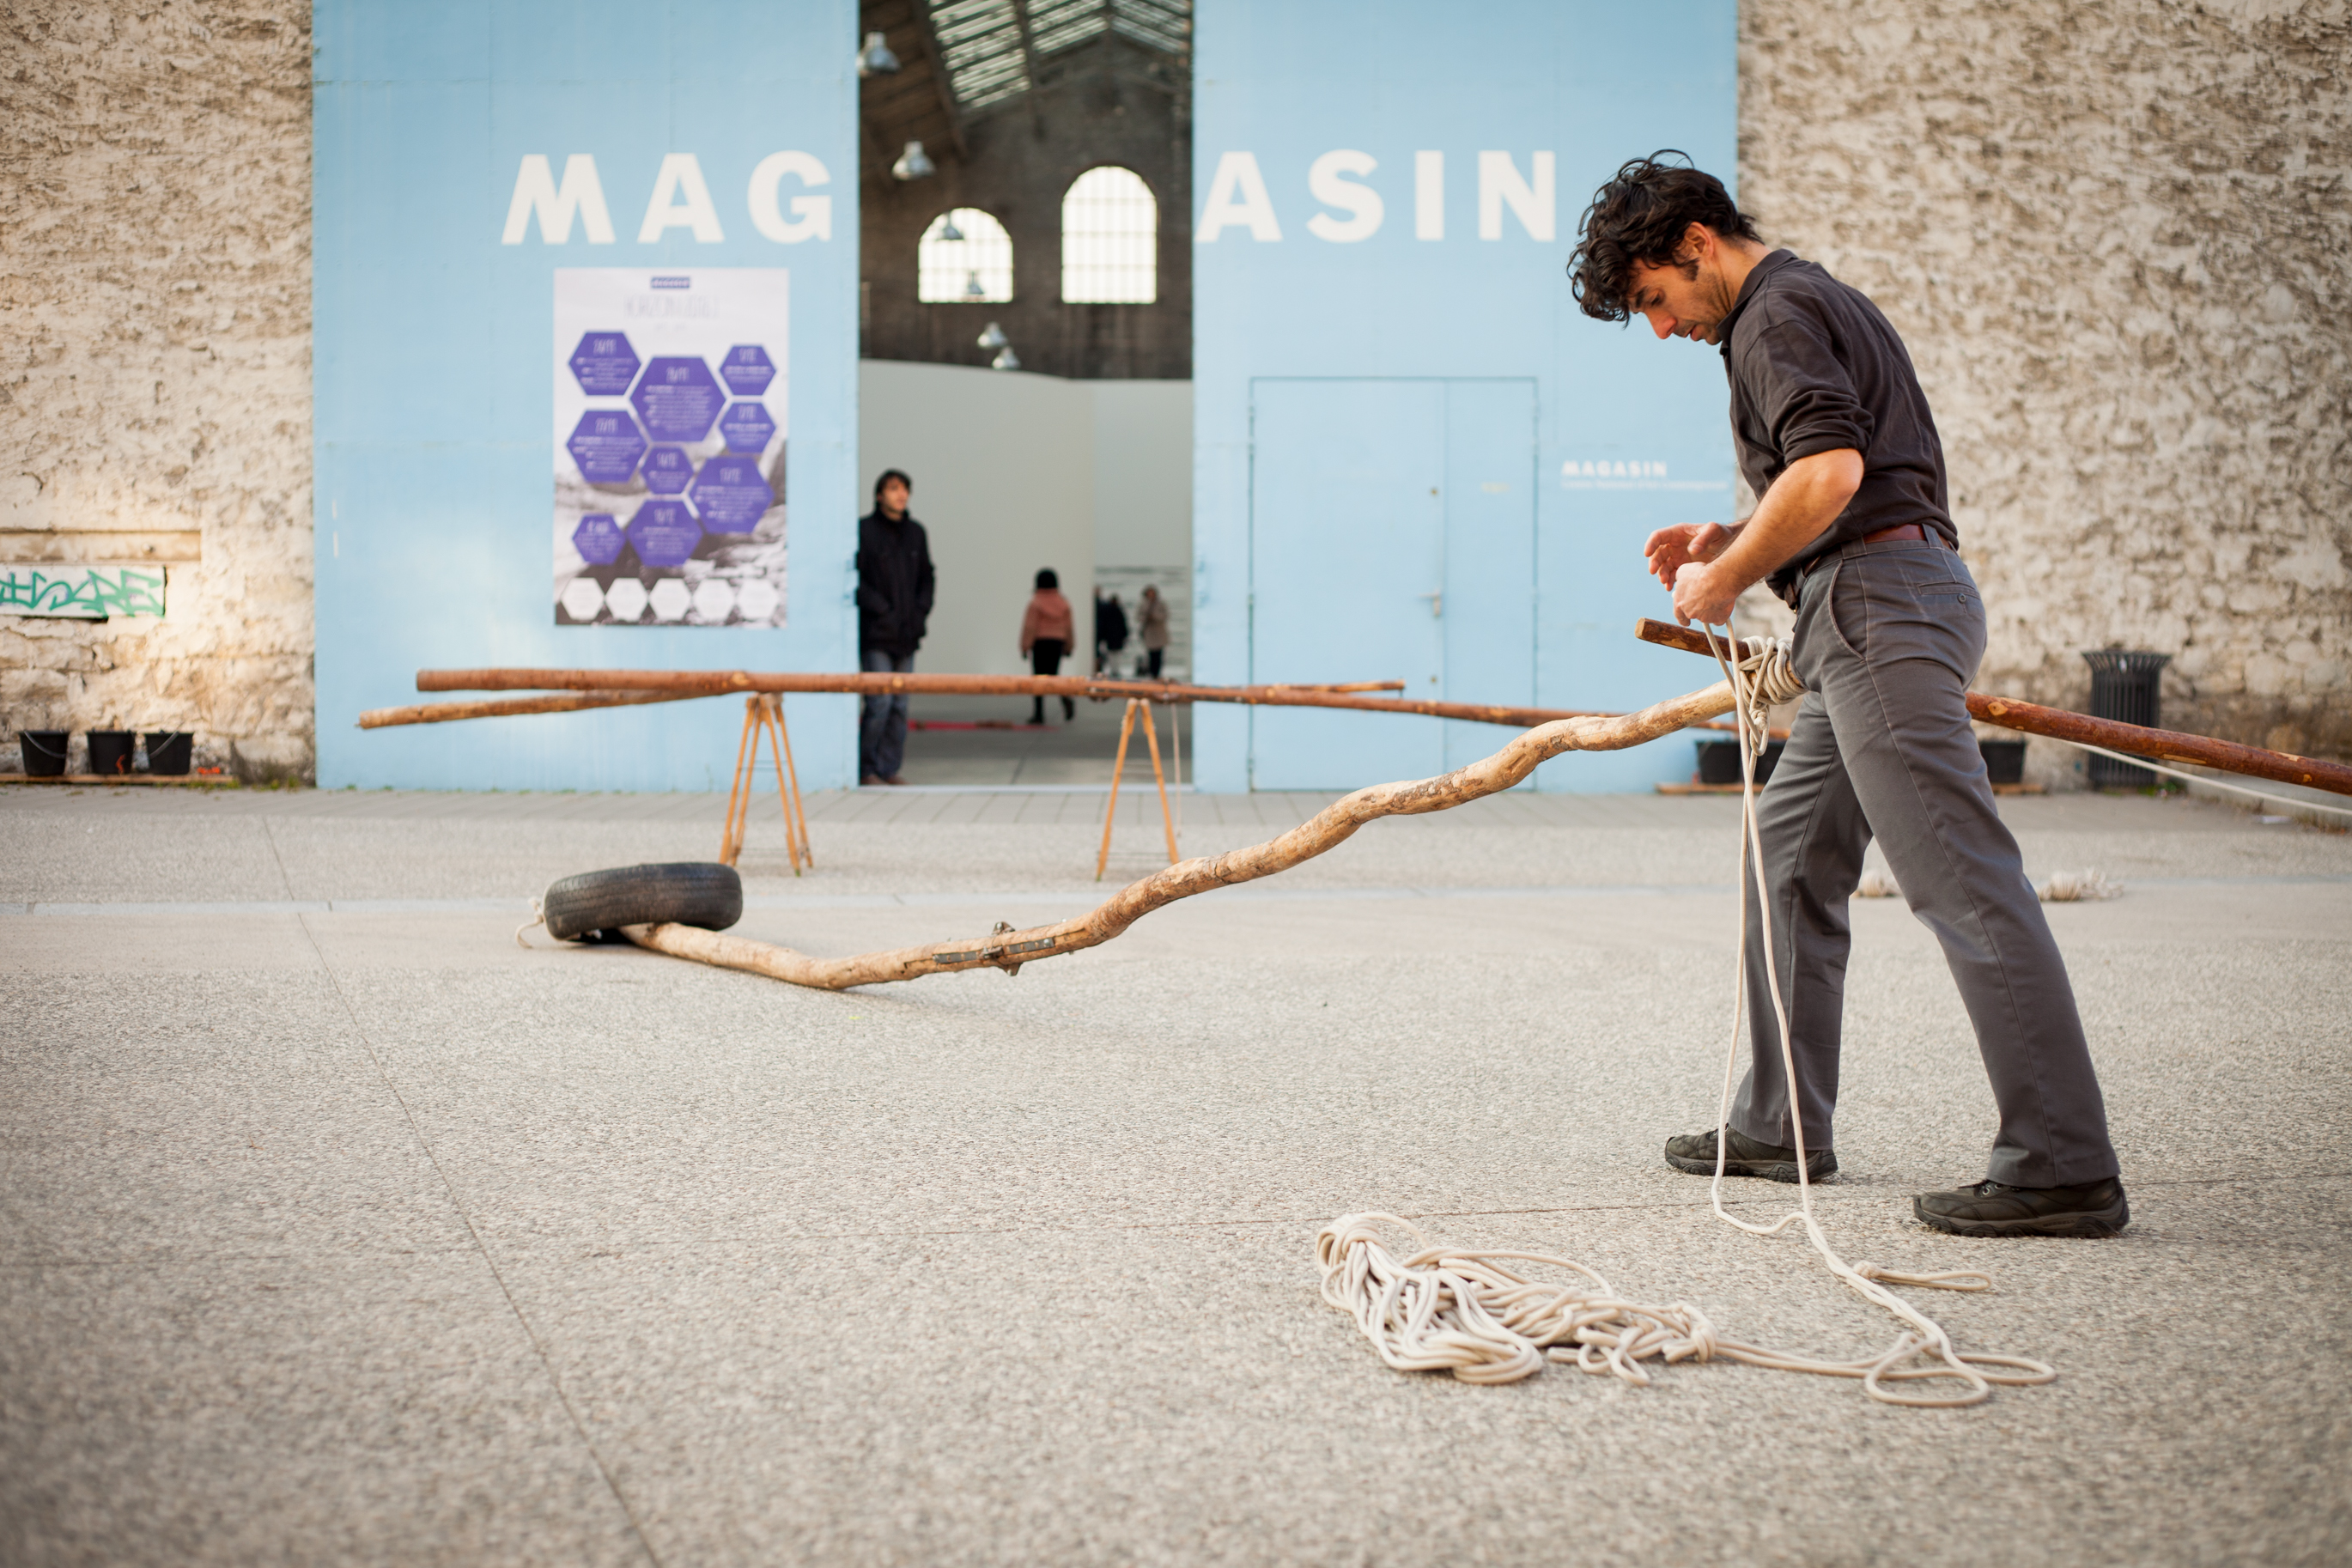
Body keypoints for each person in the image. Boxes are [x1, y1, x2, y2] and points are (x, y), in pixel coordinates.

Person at [1567, 152, 2127, 1238]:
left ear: (1695, 244)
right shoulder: (1810, 298)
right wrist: (1738, 534)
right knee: (1785, 856)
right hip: (1868, 605)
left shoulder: (1772, 317)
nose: (1663, 327)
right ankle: (1778, 1124)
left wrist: (1724, 577)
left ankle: (2064, 1162)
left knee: (1962, 879)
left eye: (1654, 297)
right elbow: (1840, 473)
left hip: (1879, 610)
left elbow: (1831, 475)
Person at [855, 469, 933, 786]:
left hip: (907, 635)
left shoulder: (916, 533)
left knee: (900, 705)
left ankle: (889, 768)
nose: (901, 494)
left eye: (905, 489)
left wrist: (919, 614)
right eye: (893, 488)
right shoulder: (864, 531)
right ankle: (866, 769)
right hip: (877, 635)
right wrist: (883, 612)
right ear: (879, 495)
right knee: (880, 702)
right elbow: (858, 581)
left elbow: (927, 577)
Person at [1018, 568, 1077, 724]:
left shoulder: (1036, 603)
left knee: (1037, 678)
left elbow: (1030, 627)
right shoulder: (1063, 603)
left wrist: (1025, 647)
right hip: (1057, 642)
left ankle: (1038, 714)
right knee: (1054, 675)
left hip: (1040, 642)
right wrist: (1069, 646)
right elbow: (1069, 627)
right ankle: (1066, 698)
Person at [1136, 584, 1170, 680]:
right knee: (1151, 655)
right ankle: (1152, 673)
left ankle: (1157, 673)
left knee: (1159, 655)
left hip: (1159, 632)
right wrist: (1146, 617)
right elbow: (1138, 616)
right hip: (1149, 633)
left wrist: (1155, 616)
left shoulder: (1160, 603)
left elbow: (1165, 615)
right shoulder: (1143, 604)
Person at [1093, 587, 1128, 676]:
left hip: (1111, 636)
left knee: (1112, 654)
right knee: (1115, 654)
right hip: (1116, 636)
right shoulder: (1118, 611)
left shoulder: (1107, 610)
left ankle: (1113, 669)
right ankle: (1115, 669)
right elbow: (1123, 624)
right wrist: (1125, 634)